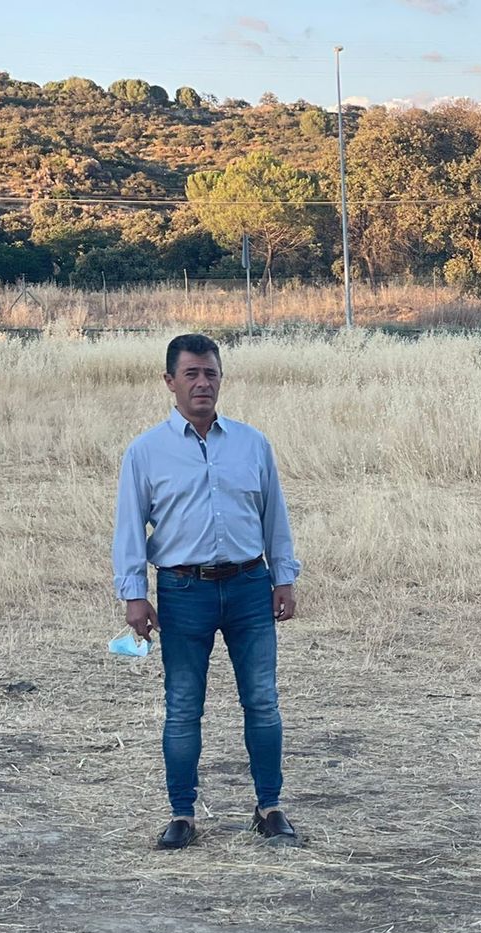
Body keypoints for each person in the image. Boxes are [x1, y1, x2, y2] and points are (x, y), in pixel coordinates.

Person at [112, 333, 301, 850]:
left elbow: (274, 518)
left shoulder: (252, 444)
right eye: (191, 374)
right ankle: (182, 814)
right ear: (169, 382)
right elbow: (130, 527)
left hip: (249, 586)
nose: (202, 383)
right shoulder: (146, 452)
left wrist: (283, 577)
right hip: (182, 591)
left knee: (262, 701)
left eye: (211, 373)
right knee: (183, 706)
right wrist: (134, 595)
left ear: (222, 378)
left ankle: (270, 807)